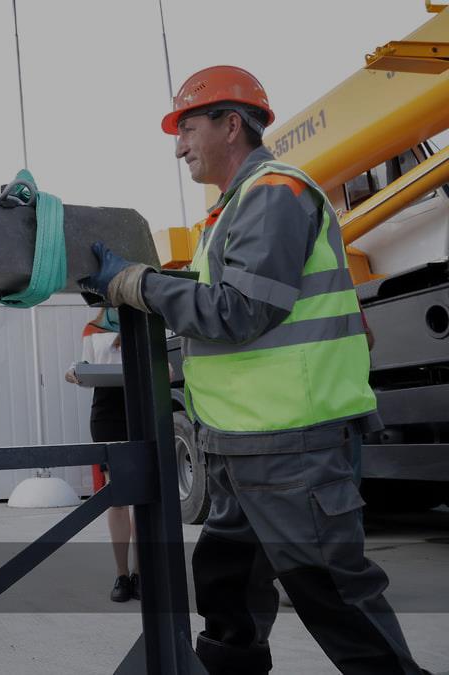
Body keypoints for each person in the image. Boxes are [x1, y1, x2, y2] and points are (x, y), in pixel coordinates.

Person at [79, 66, 425, 675]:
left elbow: (239, 311)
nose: (179, 147)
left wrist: (138, 284)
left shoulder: (272, 194)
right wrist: (128, 288)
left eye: (188, 128)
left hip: (291, 442)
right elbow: (220, 295)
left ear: (231, 125)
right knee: (227, 584)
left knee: (329, 591)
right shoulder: (234, 209)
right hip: (242, 441)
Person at [65, 308, 138, 602]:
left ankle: (141, 573)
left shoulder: (147, 321)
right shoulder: (93, 328)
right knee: (117, 496)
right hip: (108, 411)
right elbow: (85, 366)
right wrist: (74, 373)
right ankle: (122, 575)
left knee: (143, 498)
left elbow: (165, 366)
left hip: (142, 406)